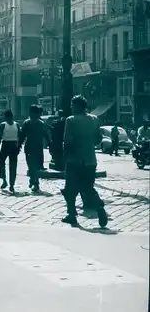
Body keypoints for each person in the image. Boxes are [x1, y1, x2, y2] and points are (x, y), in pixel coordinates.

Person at [61, 95, 108, 228]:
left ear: (76, 106)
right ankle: (99, 207)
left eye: (72, 105)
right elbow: (98, 139)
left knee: (70, 189)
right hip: (90, 160)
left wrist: (65, 156)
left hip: (74, 160)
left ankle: (71, 215)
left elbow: (67, 141)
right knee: (88, 187)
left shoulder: (70, 120)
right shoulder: (94, 119)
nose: (71, 107)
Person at [19, 105, 51, 193]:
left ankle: (35, 182)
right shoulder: (41, 123)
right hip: (37, 147)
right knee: (35, 165)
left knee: (31, 165)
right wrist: (50, 144)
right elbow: (46, 135)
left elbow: (22, 135)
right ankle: (33, 180)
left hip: (30, 146)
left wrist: (18, 145)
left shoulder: (27, 122)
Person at [0, 110, 21, 193]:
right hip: (9, 145)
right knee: (6, 164)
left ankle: (10, 184)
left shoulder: (11, 125)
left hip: (10, 145)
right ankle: (7, 182)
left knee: (11, 165)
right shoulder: (7, 125)